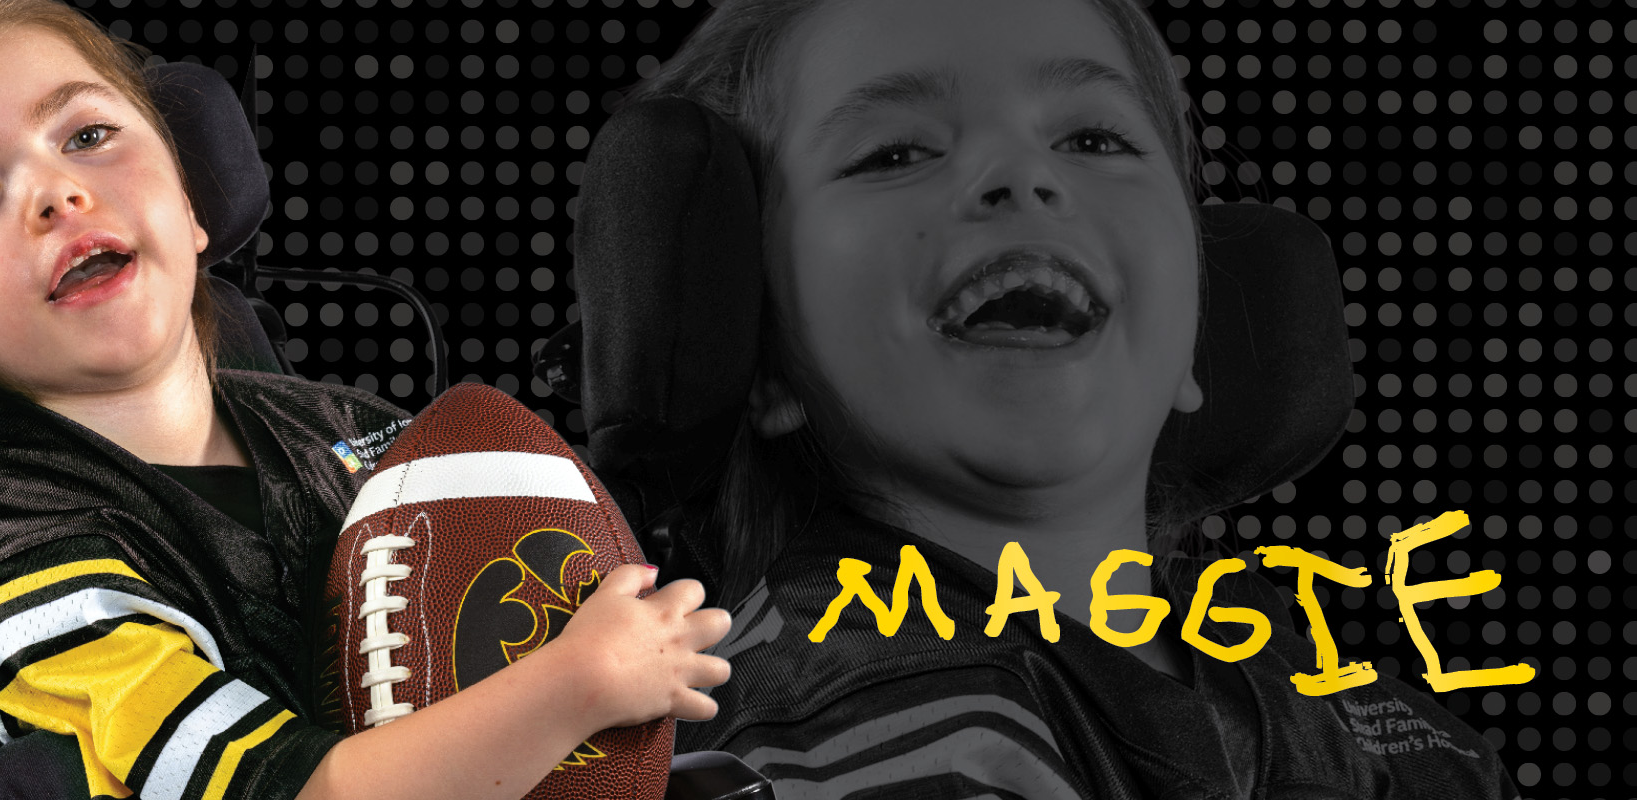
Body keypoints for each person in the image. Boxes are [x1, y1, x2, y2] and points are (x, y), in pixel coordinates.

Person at [0, 1, 732, 799]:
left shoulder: (340, 429)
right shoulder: (10, 560)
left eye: (88, 134)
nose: (55, 193)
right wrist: (576, 684)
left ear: (190, 193)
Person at [623, 0, 1520, 797]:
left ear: (1194, 340)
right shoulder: (824, 739)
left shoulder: (1397, 731)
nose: (1021, 175)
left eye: (1095, 140)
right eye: (894, 152)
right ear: (760, 350)